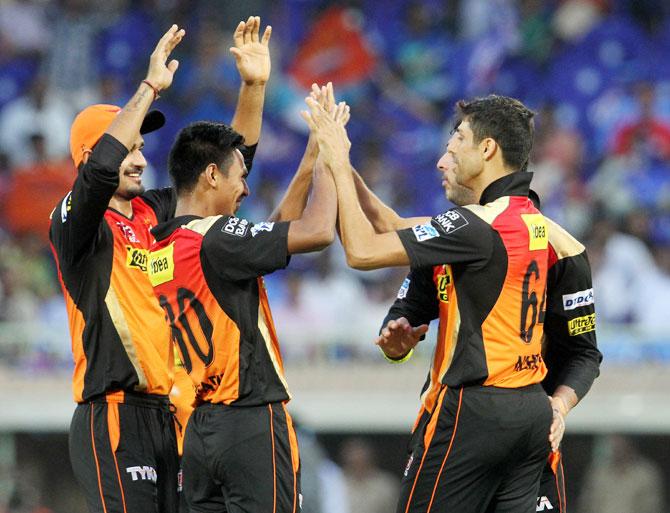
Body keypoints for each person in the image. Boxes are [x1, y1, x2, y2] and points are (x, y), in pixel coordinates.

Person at [50, 16, 273, 513]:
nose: (139, 155)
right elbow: (101, 170)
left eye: (141, 147)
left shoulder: (155, 212)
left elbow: (225, 170)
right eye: (129, 146)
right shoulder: (76, 224)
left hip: (171, 414)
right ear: (93, 152)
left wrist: (254, 86)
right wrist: (150, 87)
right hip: (112, 413)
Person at [304, 93, 555, 513]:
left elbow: (363, 251)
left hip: (471, 409)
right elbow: (396, 225)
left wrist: (334, 155)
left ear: (488, 149)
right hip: (530, 407)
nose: (443, 159)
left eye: (456, 143)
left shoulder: (474, 227)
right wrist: (343, 163)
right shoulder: (534, 223)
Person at [147, 98, 344, 510]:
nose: (247, 188)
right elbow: (319, 231)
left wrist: (307, 159)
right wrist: (330, 156)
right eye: (241, 176)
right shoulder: (216, 237)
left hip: (200, 430)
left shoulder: (162, 247)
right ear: (212, 175)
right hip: (250, 418)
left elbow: (266, 236)